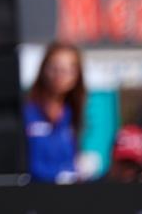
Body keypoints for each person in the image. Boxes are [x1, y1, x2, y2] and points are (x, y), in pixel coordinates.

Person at [23, 41, 86, 183]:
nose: (60, 74)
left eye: (68, 69)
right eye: (54, 67)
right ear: (44, 70)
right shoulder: (28, 112)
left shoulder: (72, 114)